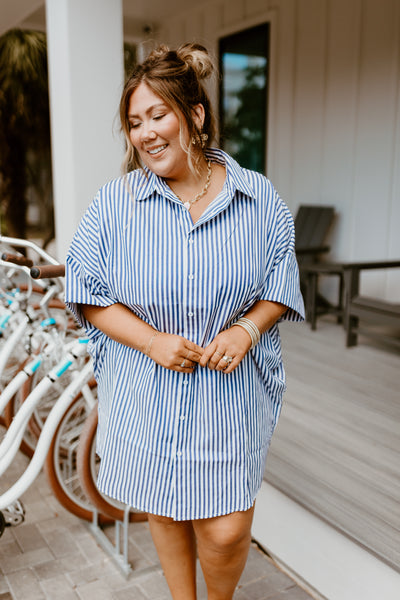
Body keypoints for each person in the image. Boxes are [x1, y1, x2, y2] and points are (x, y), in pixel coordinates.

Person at [65, 43, 304, 600]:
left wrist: (247, 329)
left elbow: (280, 281)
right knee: (167, 509)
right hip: (146, 390)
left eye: (157, 115)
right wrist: (151, 342)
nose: (145, 133)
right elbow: (85, 289)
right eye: (133, 122)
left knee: (226, 529)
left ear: (193, 116)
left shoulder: (257, 199)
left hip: (229, 395)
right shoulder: (115, 205)